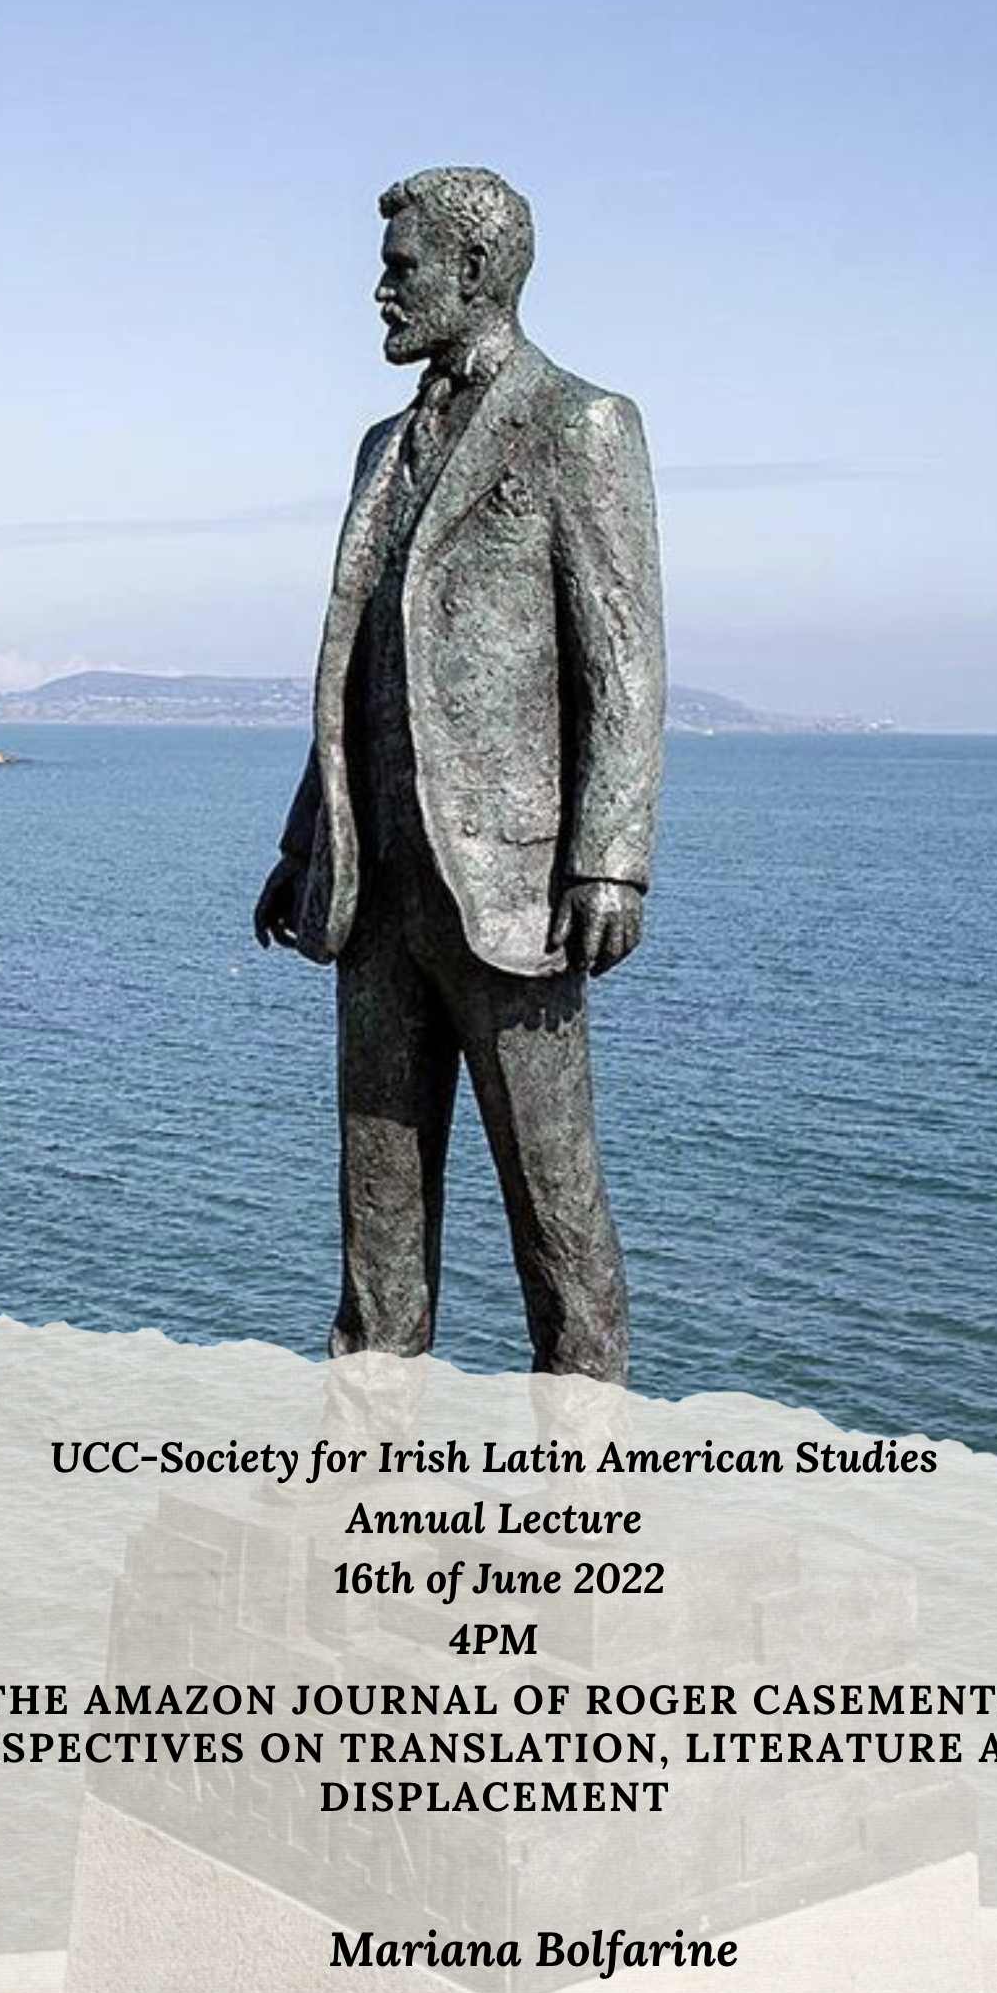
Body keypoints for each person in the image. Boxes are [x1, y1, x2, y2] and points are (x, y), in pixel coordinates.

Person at [255, 166, 665, 1380]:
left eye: (401, 267)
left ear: (475, 272)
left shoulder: (581, 424)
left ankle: (583, 1460)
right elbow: (355, 669)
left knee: (555, 1209)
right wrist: (304, 844)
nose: (379, 290)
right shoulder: (380, 449)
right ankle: (367, 1450)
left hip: (513, 890)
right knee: (375, 1212)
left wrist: (611, 860)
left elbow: (624, 657)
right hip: (375, 885)